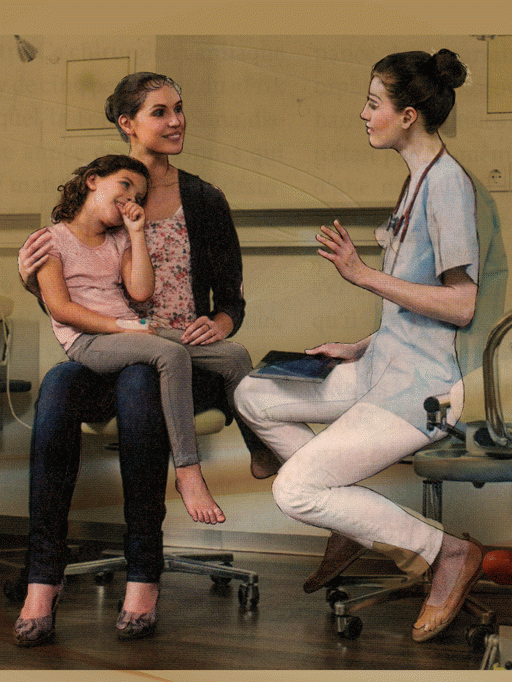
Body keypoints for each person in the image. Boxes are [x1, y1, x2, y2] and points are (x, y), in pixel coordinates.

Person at [14, 72, 278, 647]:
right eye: (161, 112)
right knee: (57, 386)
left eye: (180, 109)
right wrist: (33, 283)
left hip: (183, 359)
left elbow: (231, 298)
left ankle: (143, 573)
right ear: (126, 123)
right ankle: (41, 578)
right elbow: (72, 292)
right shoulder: (106, 198)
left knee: (142, 380)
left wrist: (220, 323)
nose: (177, 121)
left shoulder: (204, 200)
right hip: (111, 353)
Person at [234, 49, 486, 643]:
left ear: (408, 115)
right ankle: (350, 520)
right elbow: (414, 305)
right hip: (384, 366)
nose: (364, 114)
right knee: (251, 393)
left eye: (374, 104)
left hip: (425, 389)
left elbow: (462, 304)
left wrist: (362, 275)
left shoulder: (447, 185)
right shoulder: (415, 179)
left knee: (295, 489)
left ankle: (448, 553)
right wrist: (359, 345)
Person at [36, 152, 231, 526]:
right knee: (171, 355)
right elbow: (61, 309)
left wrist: (137, 234)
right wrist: (122, 326)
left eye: (139, 197)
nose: (130, 200)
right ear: (93, 180)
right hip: (89, 340)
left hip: (129, 331)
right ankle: (188, 472)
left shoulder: (120, 239)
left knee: (233, 356)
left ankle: (263, 452)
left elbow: (140, 291)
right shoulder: (50, 240)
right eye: (125, 185)